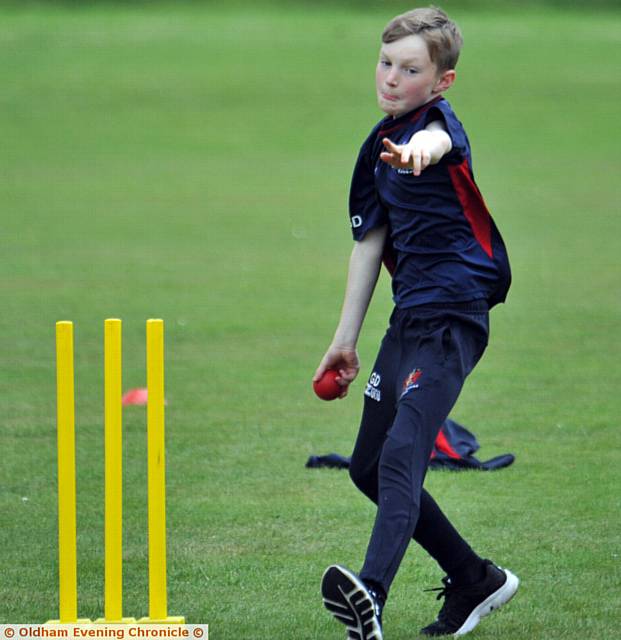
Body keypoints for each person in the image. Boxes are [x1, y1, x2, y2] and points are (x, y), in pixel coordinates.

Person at [313, 7, 519, 639]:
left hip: (455, 314)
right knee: (368, 468)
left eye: (411, 69)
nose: (393, 78)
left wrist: (415, 156)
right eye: (386, 63)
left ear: (440, 81)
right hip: (409, 319)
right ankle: (476, 578)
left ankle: (370, 596)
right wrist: (344, 341)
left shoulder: (434, 129)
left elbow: (434, 145)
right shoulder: (376, 150)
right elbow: (369, 245)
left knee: (403, 455)